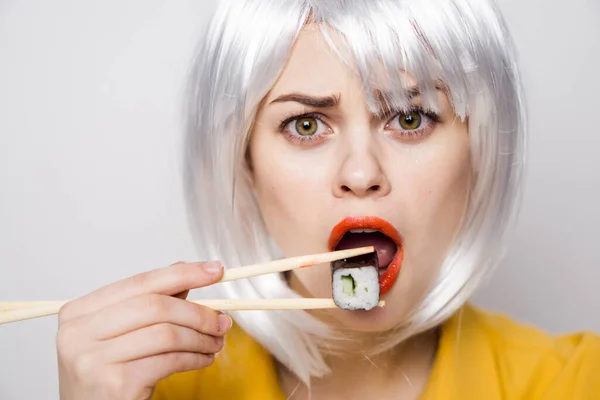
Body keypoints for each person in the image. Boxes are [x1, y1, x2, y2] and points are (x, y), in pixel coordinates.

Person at [55, 0, 600, 399]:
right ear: (244, 163)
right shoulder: (159, 389)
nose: (361, 173)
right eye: (306, 123)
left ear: (479, 148)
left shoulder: (576, 382)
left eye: (409, 118)